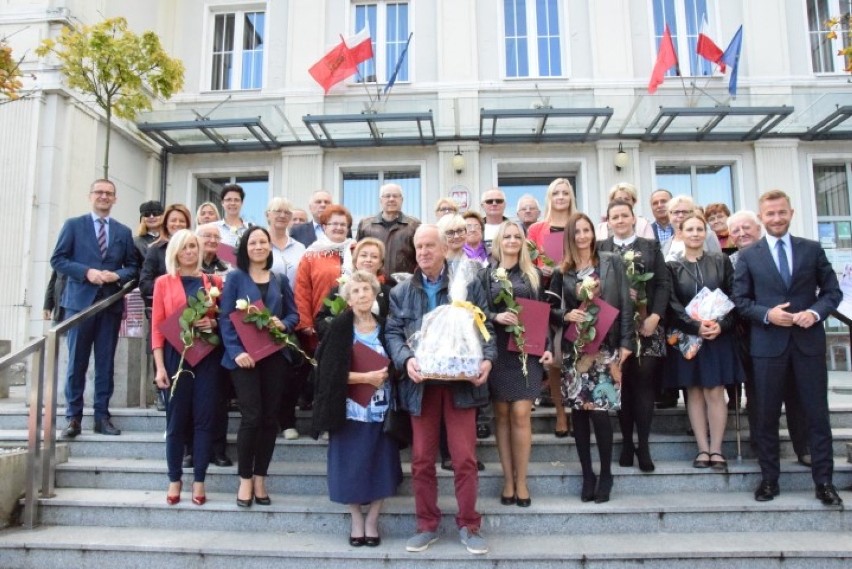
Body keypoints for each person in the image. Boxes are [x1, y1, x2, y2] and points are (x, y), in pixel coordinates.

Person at [385, 225, 496, 555]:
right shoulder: (401, 292)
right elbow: (391, 333)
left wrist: (487, 361)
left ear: (444, 248)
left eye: (430, 245)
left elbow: (484, 326)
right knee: (421, 460)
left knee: (464, 459)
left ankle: (469, 524)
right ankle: (426, 525)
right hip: (422, 388)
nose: (424, 252)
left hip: (461, 385)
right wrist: (405, 360)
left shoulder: (466, 282)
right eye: (419, 246)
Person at [732, 190, 843, 506]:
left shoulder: (811, 249)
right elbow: (740, 302)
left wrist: (815, 312)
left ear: (791, 213)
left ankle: (824, 482)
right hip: (767, 347)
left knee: (817, 416)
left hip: (807, 346)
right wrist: (768, 315)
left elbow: (831, 292)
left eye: (781, 212)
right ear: (762, 216)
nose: (776, 218)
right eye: (770, 214)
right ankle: (769, 480)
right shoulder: (749, 256)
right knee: (765, 417)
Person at [311, 270, 402, 548]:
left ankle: (372, 519)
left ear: (375, 294)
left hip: (381, 411)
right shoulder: (339, 327)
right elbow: (326, 374)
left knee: (381, 465)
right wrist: (366, 378)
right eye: (356, 291)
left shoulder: (386, 326)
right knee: (349, 467)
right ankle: (356, 519)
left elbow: (397, 365)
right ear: (348, 299)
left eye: (366, 289)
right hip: (348, 411)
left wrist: (390, 374)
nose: (362, 295)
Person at [548, 213, 632, 503]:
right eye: (577, 232)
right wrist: (565, 314)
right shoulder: (562, 272)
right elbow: (549, 309)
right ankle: (587, 474)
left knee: (600, 412)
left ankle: (606, 473)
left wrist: (626, 342)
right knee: (580, 414)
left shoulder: (611, 262)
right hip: (576, 351)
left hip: (605, 349)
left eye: (586, 230)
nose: (583, 236)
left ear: (593, 234)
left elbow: (625, 303)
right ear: (570, 237)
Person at [51, 179, 140, 437]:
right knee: (76, 364)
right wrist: (86, 272)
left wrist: (116, 275)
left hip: (109, 305)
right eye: (99, 192)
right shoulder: (73, 225)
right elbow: (58, 259)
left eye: (109, 193)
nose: (104, 196)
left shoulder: (123, 232)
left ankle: (102, 417)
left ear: (115, 199)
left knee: (105, 363)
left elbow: (133, 267)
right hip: (79, 305)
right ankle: (73, 418)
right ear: (90, 196)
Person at [219, 226, 300, 508]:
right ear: (245, 247)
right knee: (251, 418)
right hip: (244, 359)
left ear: (269, 247)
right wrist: (237, 351)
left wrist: (285, 324)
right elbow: (226, 318)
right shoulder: (235, 278)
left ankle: (260, 477)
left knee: (269, 420)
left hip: (275, 357)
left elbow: (294, 314)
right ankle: (244, 479)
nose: (258, 246)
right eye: (253, 242)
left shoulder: (278, 279)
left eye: (263, 242)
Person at [726, 211, 810, 466]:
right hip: (748, 334)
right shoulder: (729, 261)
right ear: (730, 236)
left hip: (788, 332)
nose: (742, 233)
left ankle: (803, 446)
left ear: (758, 227)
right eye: (736, 230)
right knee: (757, 394)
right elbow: (734, 298)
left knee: (795, 392)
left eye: (747, 227)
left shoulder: (781, 252)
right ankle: (761, 446)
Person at [479, 221, 552, 507]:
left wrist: (546, 347)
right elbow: (477, 310)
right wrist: (495, 317)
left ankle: (521, 480)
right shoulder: (486, 275)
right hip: (497, 349)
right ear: (498, 242)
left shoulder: (532, 276)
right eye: (506, 236)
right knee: (502, 414)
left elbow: (541, 314)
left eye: (516, 236)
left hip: (525, 351)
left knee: (521, 413)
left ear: (524, 241)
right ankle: (508, 480)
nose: (511, 240)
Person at [665, 213, 743, 473]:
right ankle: (702, 447)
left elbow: (735, 297)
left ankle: (717, 449)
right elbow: (672, 305)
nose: (695, 233)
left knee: (714, 391)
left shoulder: (721, 261)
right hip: (690, 337)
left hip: (718, 336)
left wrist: (721, 324)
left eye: (700, 229)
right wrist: (696, 326)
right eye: (690, 229)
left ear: (706, 233)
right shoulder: (672, 267)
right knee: (694, 392)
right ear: (681, 233)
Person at [151, 229, 223, 506]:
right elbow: (158, 329)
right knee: (176, 420)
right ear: (176, 253)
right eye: (185, 247)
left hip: (206, 357)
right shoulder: (163, 283)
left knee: (204, 420)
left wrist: (213, 323)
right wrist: (159, 368)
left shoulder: (213, 281)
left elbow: (225, 318)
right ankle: (174, 479)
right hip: (174, 357)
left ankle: (200, 480)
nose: (191, 251)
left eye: (194, 245)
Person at [598, 200, 670, 472]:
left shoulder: (649, 246)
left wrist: (655, 316)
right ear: (609, 221)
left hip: (646, 326)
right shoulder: (601, 248)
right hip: (614, 328)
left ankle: (644, 444)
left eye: (623, 216)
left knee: (643, 387)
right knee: (621, 385)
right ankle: (626, 442)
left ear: (633, 218)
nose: (619, 220)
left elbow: (663, 284)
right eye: (614, 216)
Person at [527, 177, 577, 439]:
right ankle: (560, 414)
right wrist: (540, 269)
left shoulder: (578, 223)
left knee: (578, 355)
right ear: (549, 197)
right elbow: (527, 262)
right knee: (553, 360)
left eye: (565, 192)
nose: (560, 197)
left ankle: (580, 409)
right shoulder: (537, 228)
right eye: (555, 193)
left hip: (576, 295)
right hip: (546, 295)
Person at [195, 223, 232, 467]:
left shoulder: (227, 265)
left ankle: (218, 448)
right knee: (193, 398)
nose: (211, 240)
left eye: (216, 237)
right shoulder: (184, 267)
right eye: (206, 235)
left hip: (218, 341)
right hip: (190, 343)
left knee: (219, 399)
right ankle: (192, 448)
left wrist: (216, 322)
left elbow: (233, 304)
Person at [294, 205, 355, 354]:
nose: (339, 228)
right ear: (324, 227)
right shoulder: (311, 255)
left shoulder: (357, 251)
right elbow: (302, 290)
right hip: (322, 322)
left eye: (343, 224)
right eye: (334, 224)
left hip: (356, 321)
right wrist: (305, 322)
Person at [315, 237, 391, 341]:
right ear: (355, 261)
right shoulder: (340, 289)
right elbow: (321, 321)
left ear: (380, 263)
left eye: (374, 256)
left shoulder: (388, 292)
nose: (368, 260)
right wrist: (338, 333)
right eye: (363, 255)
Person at [355, 183, 420, 275]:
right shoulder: (365, 225)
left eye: (395, 196)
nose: (391, 199)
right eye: (387, 196)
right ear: (380, 200)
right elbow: (356, 256)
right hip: (373, 283)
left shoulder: (414, 226)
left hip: (404, 284)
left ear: (402, 200)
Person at [139, 204, 193, 308]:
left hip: (191, 307)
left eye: (182, 221)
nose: (177, 224)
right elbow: (145, 285)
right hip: (164, 308)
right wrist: (167, 286)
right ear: (166, 224)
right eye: (173, 220)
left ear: (187, 225)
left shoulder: (195, 248)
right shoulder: (155, 249)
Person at [662, 195, 721, 261]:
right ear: (669, 216)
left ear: (693, 214)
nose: (680, 215)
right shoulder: (664, 245)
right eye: (676, 212)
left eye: (685, 212)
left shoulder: (707, 236)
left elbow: (718, 262)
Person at [266, 197, 305, 291]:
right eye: (278, 211)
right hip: (265, 303)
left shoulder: (300, 248)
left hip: (294, 303)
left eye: (287, 212)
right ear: (268, 215)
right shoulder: (260, 245)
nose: (282, 215)